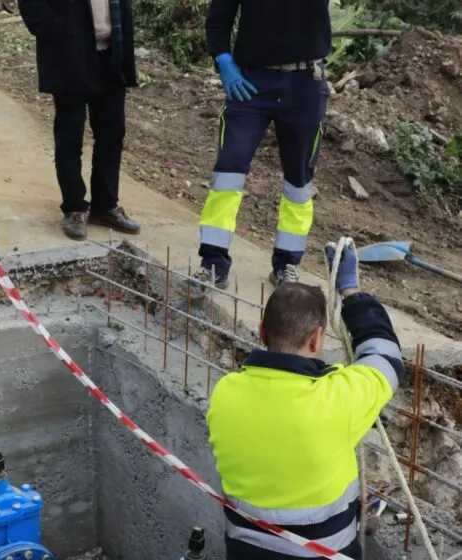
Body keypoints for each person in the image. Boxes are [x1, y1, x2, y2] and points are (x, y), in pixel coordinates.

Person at [206, 241, 405, 559]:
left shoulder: (226, 393)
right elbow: (386, 356)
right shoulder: (338, 398)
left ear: (261, 332)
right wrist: (351, 292)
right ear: (316, 338)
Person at [191, 0, 331, 298]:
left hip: (305, 83)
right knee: (229, 169)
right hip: (250, 82)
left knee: (299, 180)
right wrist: (224, 61)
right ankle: (213, 262)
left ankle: (286, 263)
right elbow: (218, 21)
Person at [18, 0, 141, 241]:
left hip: (111, 56)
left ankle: (105, 206)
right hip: (70, 57)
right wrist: (64, 33)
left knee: (112, 133)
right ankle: (74, 207)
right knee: (70, 135)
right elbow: (33, 7)